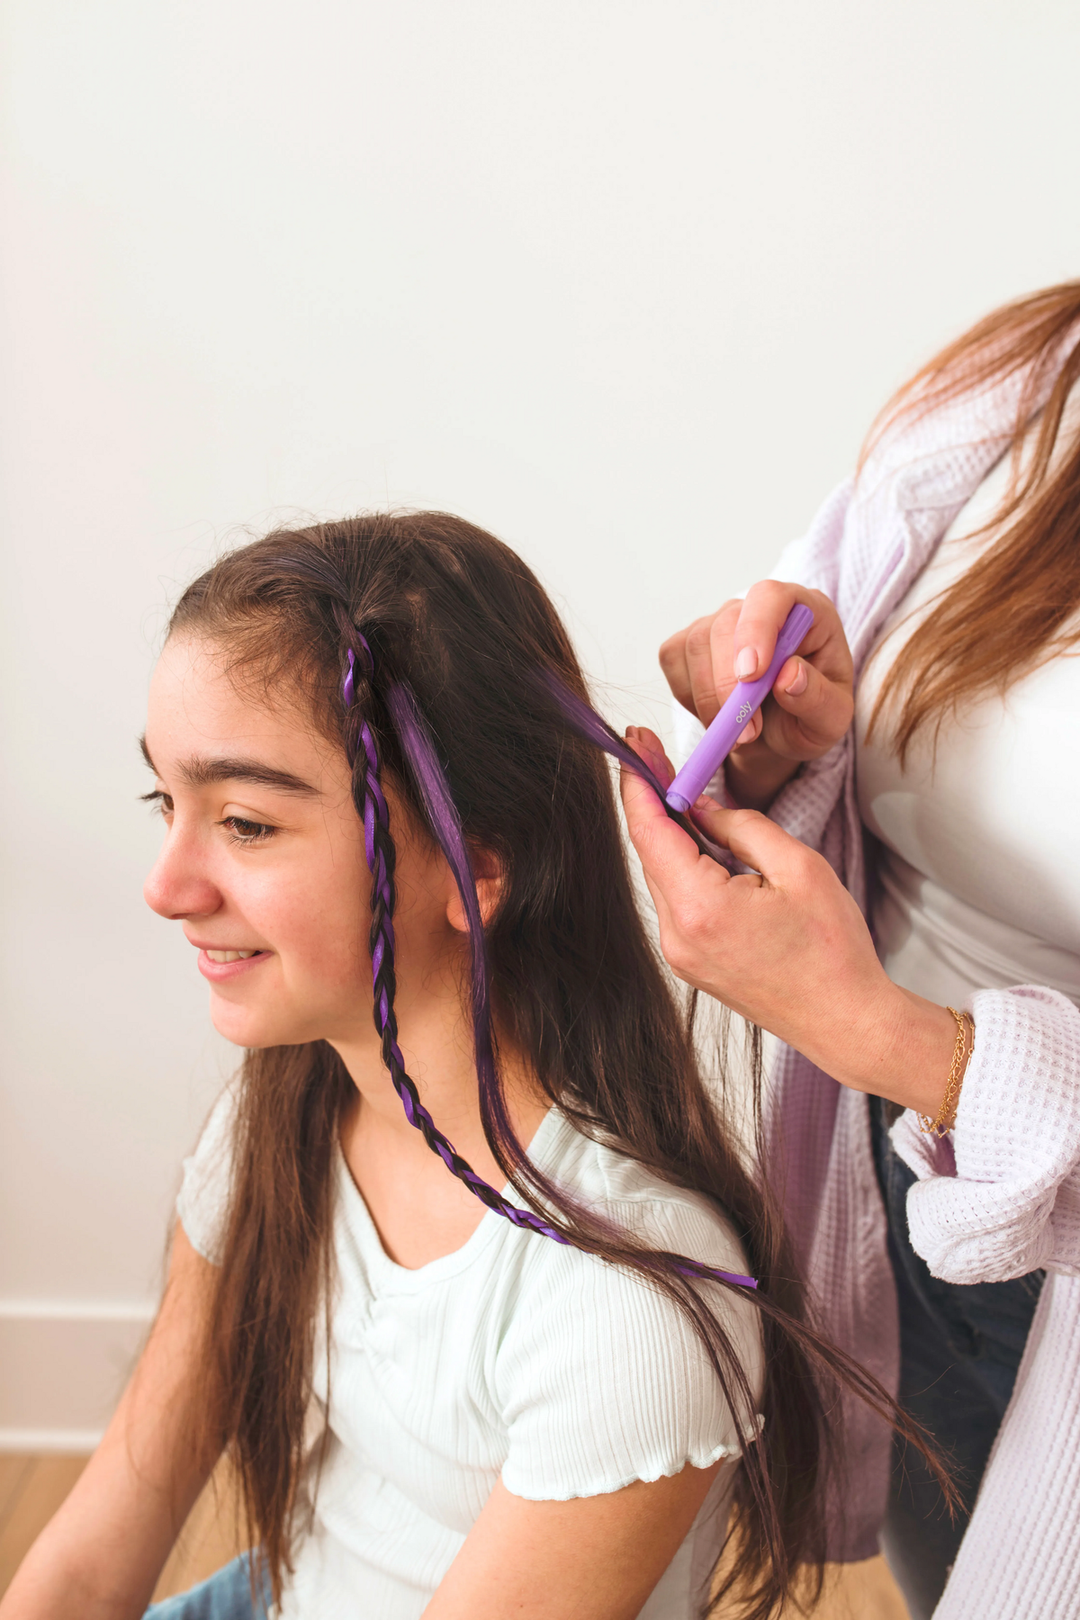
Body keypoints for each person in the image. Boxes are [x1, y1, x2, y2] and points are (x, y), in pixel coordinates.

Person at [0, 513, 928, 1620]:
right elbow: (97, 1551)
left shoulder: (628, 1307)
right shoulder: (284, 1114)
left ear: (476, 871)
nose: (166, 884)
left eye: (244, 823)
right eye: (168, 802)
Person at [622, 281, 1080, 1620]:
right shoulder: (1015, 396)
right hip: (915, 1178)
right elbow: (842, 691)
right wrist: (777, 731)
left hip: (963, 1118)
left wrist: (893, 1038)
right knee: (958, 1564)